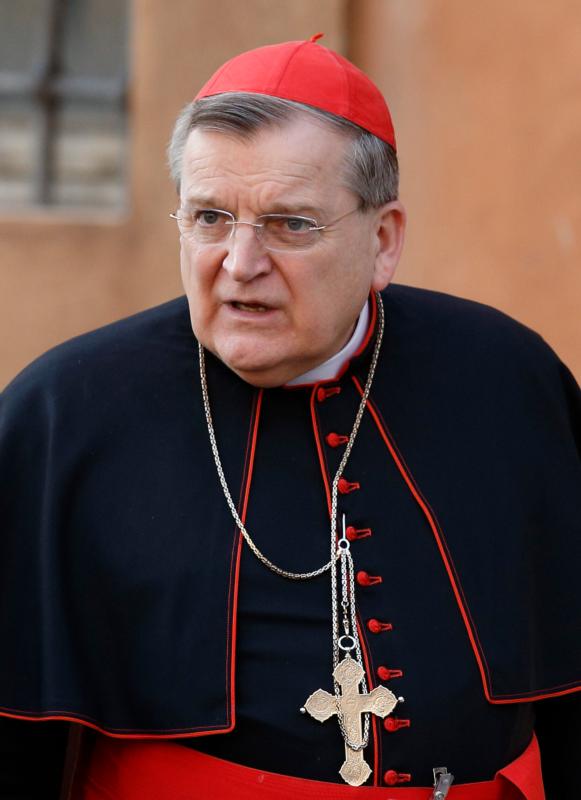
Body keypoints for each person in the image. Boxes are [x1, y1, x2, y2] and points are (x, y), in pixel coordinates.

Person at [1, 35, 580, 800]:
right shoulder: (64, 413)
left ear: (382, 241)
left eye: (289, 224)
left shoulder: (508, 379)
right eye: (210, 217)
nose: (240, 263)